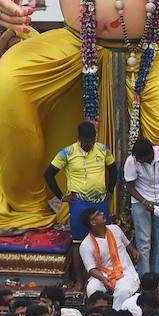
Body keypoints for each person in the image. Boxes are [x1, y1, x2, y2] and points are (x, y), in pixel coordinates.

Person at [46, 122, 118, 286]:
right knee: (78, 242)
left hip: (100, 202)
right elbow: (49, 174)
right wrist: (61, 196)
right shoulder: (67, 152)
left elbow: (113, 170)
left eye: (92, 140)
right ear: (79, 138)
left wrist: (109, 192)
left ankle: (108, 277)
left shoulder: (103, 149)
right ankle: (79, 280)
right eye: (86, 141)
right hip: (79, 204)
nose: (90, 144)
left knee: (103, 239)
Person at [123, 136, 159, 278]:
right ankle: (145, 279)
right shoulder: (132, 161)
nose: (139, 161)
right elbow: (129, 186)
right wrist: (143, 201)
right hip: (140, 202)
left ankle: (157, 279)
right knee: (143, 242)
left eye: (141, 159)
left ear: (150, 154)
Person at [78, 208, 139, 309]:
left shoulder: (115, 229)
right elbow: (91, 269)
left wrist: (133, 251)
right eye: (98, 214)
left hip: (125, 272)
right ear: (93, 222)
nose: (102, 213)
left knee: (122, 292)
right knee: (92, 289)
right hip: (103, 275)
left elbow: (127, 244)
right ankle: (98, 315)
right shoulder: (85, 245)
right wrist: (104, 280)